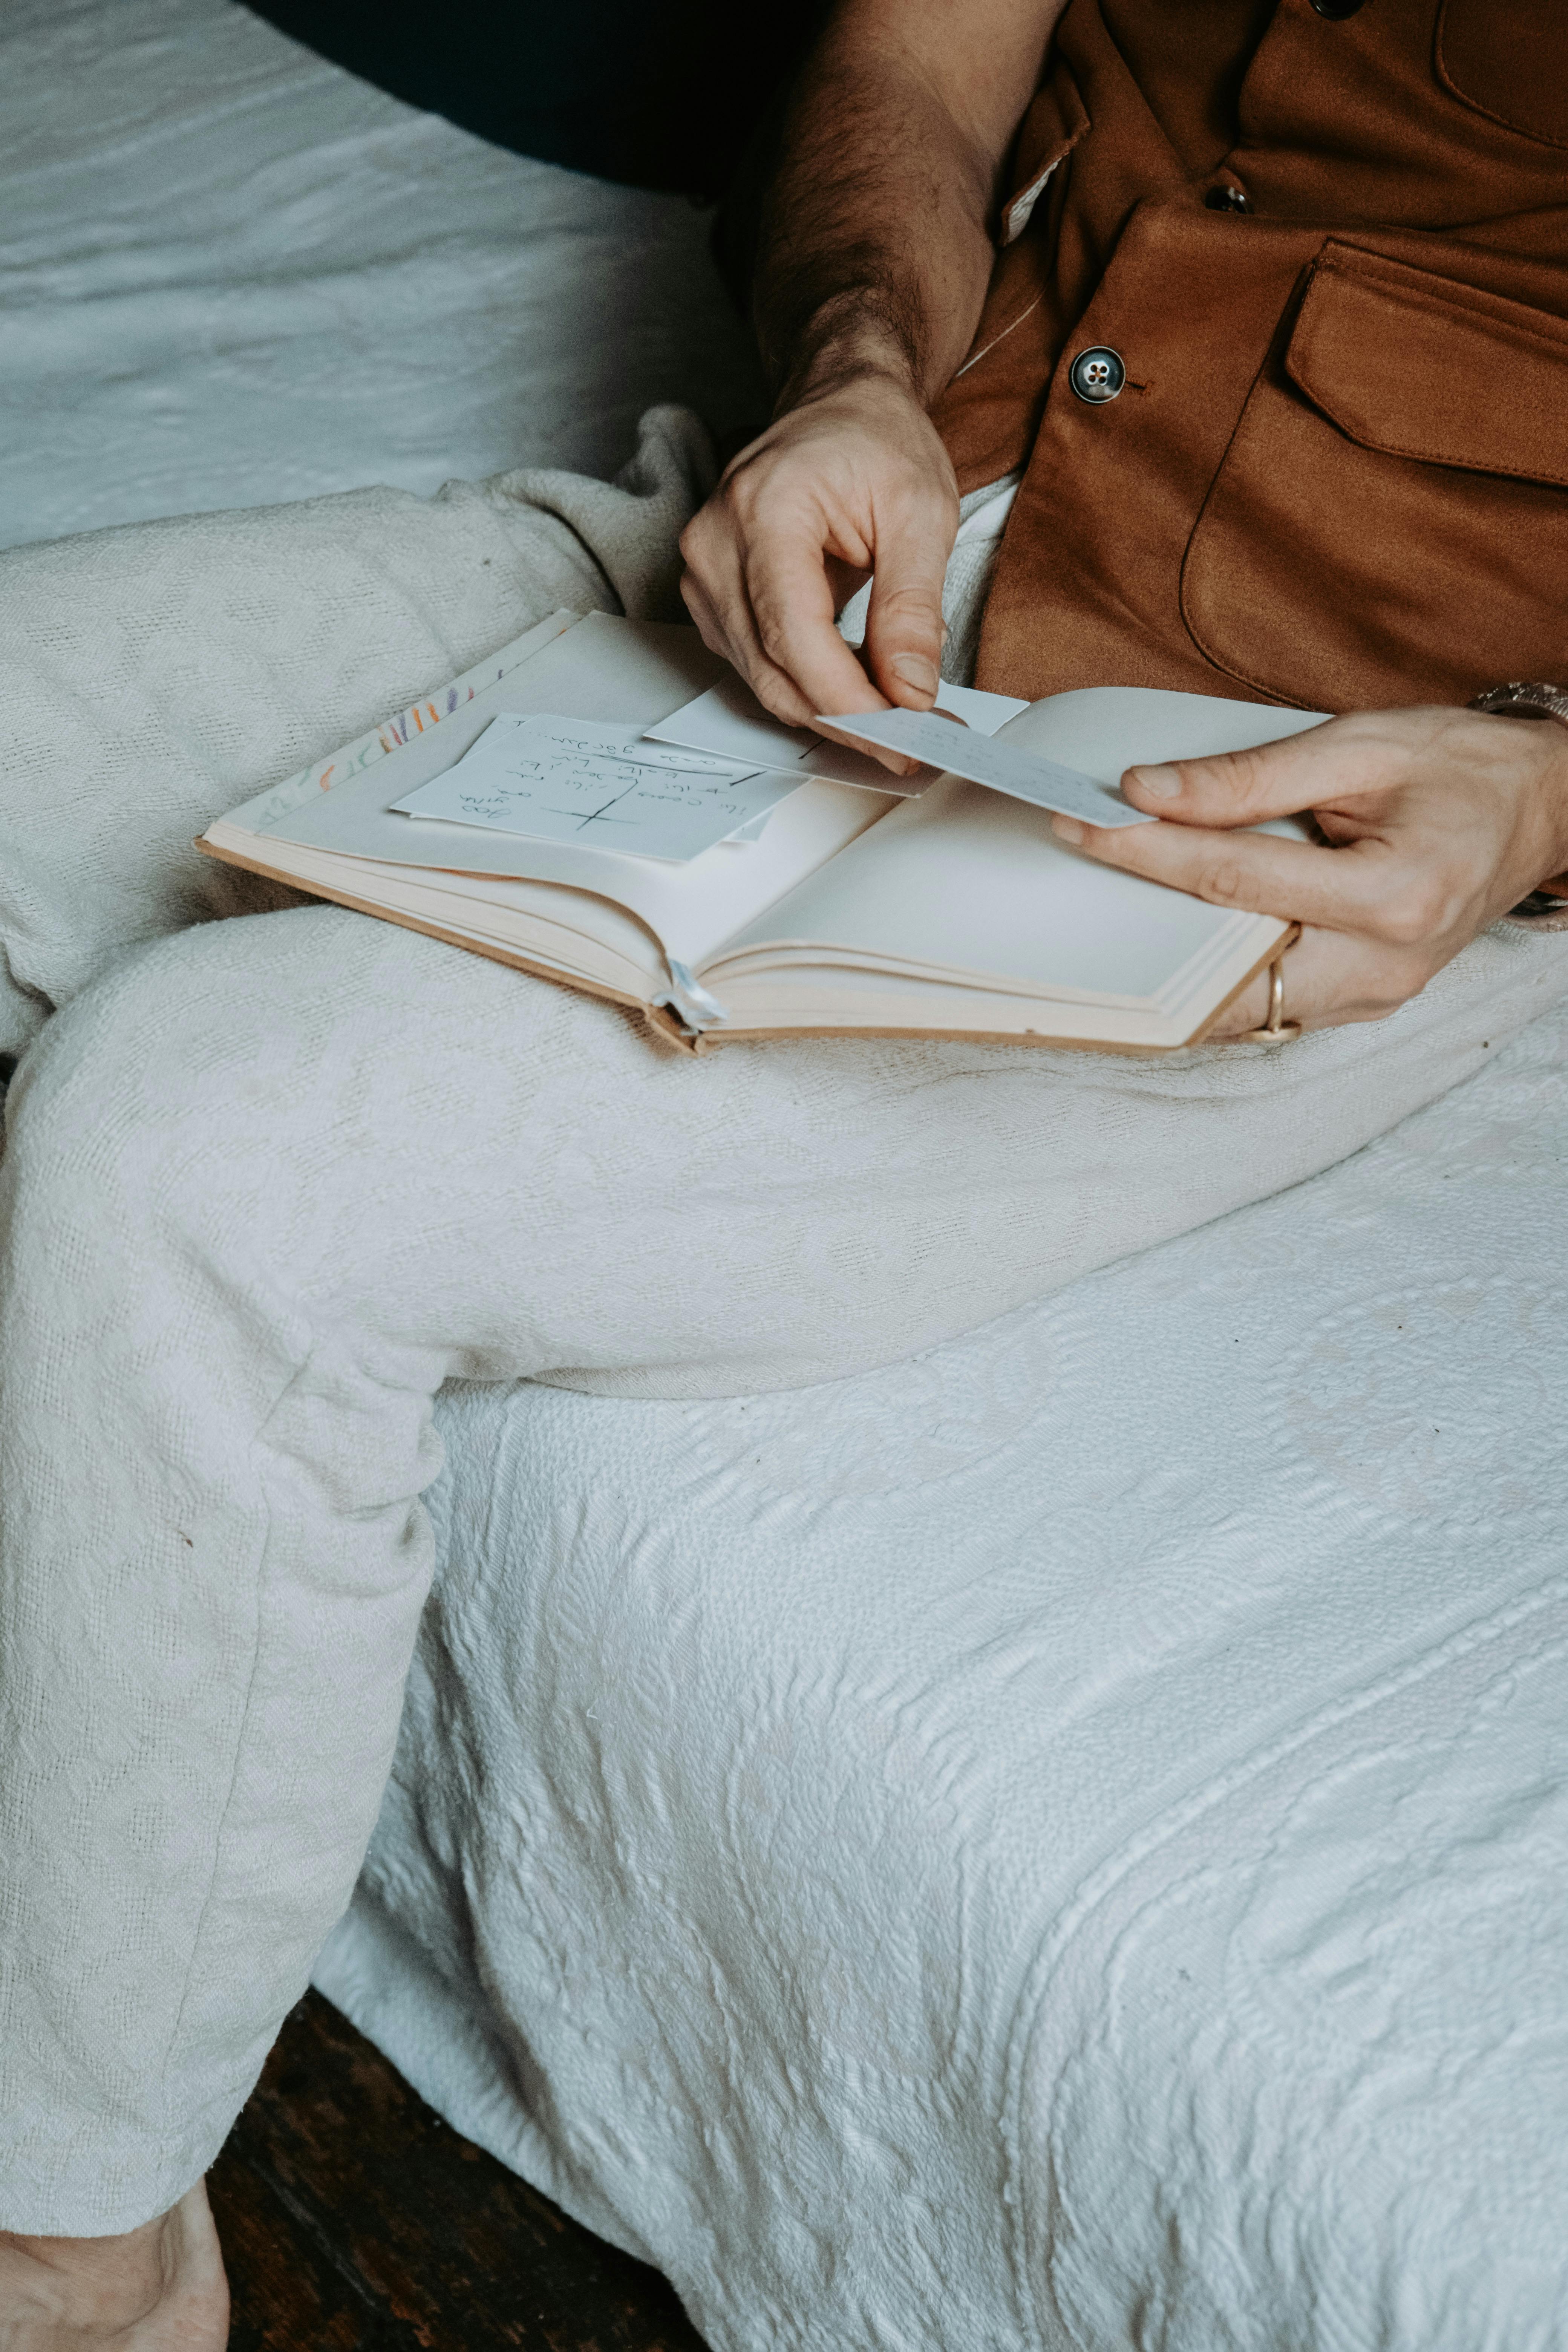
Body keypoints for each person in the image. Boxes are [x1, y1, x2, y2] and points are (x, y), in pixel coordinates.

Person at [2, 1, 1566, 2342]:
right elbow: (916, 70)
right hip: (801, 576)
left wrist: (1548, 793)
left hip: (1282, 828)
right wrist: (853, 365)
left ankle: (72, 2254)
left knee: (194, 1144)